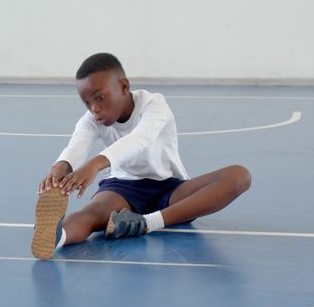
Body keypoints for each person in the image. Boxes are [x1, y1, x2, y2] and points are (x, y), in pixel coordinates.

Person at [32, 52, 251, 260]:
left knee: (239, 176)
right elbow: (77, 143)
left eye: (99, 97)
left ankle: (146, 222)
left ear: (124, 86)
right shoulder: (91, 119)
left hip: (170, 189)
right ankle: (55, 236)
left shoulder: (154, 104)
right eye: (87, 102)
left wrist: (94, 165)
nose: (94, 108)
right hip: (121, 189)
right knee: (93, 212)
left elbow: (139, 139)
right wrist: (61, 166)